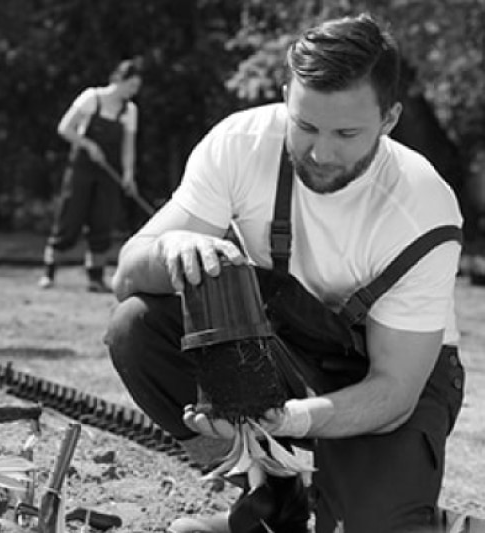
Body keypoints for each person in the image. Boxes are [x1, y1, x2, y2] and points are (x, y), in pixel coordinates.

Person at [105, 14, 464, 533]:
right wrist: (172, 246)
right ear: (285, 96)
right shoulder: (240, 142)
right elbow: (127, 278)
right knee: (136, 328)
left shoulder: (422, 207)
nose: (320, 152)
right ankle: (269, 500)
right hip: (285, 346)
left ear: (389, 119)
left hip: (394, 371)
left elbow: (395, 392)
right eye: (305, 125)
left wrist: (295, 419)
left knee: (374, 526)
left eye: (346, 133)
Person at [38, 58, 143, 293]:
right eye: (131, 86)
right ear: (119, 80)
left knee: (102, 221)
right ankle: (49, 272)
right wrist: (88, 145)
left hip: (108, 172)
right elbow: (64, 128)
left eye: (136, 88)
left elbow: (128, 147)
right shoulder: (91, 98)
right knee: (70, 217)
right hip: (82, 168)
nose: (133, 92)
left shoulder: (130, 110)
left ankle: (95, 277)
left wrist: (128, 174)